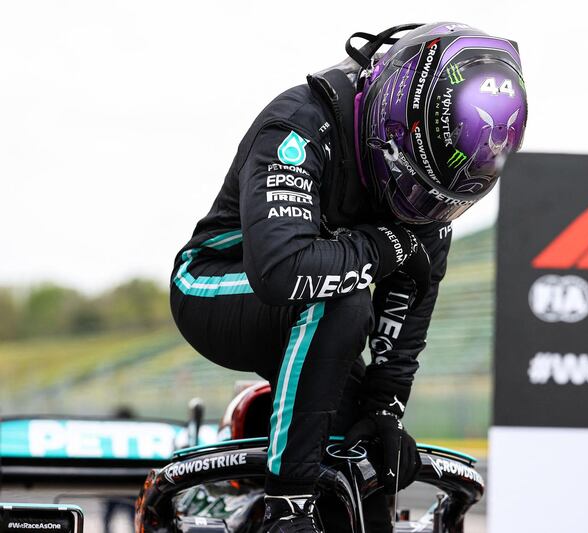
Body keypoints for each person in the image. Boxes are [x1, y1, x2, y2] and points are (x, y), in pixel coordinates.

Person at [170, 21, 527, 532]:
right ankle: (286, 508)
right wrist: (386, 246)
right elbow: (281, 270)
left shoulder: (432, 201)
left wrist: (385, 407)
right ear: (394, 118)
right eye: (419, 186)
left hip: (320, 313)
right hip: (214, 285)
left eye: (443, 199)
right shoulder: (296, 125)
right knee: (342, 296)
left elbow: (412, 298)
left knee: (368, 462)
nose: (423, 208)